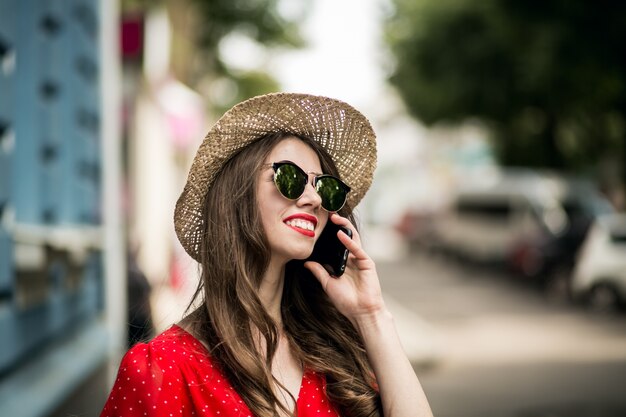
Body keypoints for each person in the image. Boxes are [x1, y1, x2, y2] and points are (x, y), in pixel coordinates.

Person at [101, 93, 433, 417]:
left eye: (324, 187)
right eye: (291, 178)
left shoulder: (339, 352)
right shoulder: (162, 368)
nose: (313, 199)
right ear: (237, 195)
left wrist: (371, 315)